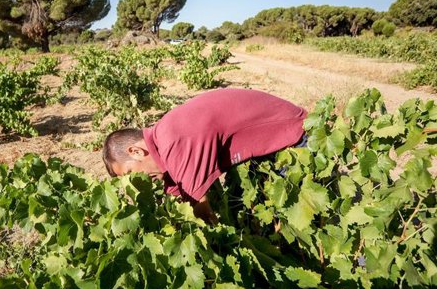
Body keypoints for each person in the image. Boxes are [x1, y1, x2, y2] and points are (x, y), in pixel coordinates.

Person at [102, 88, 307, 224]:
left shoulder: (173, 139)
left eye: (130, 173)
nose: (137, 181)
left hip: (293, 139)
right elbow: (178, 194)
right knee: (249, 215)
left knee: (299, 222)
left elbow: (197, 207)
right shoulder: (163, 141)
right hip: (265, 151)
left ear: (136, 152)